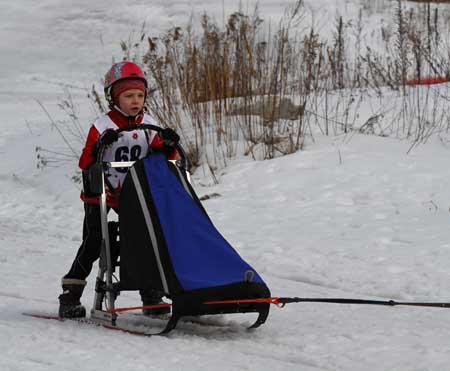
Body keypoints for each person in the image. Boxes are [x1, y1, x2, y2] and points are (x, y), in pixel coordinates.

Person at [58, 61, 180, 318]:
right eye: (128, 96)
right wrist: (100, 145)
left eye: (139, 95)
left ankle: (151, 293)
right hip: (100, 192)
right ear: (114, 98)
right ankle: (70, 295)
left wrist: (168, 145)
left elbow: (166, 158)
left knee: (145, 239)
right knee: (94, 242)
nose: (135, 101)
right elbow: (85, 162)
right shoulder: (102, 126)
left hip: (135, 193)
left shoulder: (149, 123)